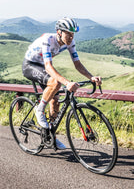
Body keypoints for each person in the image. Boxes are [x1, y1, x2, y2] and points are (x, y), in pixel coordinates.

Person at [22, 17, 102, 150]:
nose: (71, 37)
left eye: (72, 34)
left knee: (55, 101)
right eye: (68, 34)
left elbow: (77, 64)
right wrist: (66, 82)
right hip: (30, 65)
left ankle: (50, 135)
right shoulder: (48, 39)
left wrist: (91, 77)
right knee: (56, 82)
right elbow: (48, 67)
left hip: (42, 66)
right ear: (59, 32)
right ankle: (39, 110)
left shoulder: (70, 42)